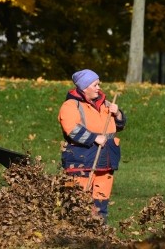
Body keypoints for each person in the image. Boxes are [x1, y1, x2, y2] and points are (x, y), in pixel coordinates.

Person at [58, 69, 126, 222]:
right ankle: (74, 237)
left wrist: (118, 114)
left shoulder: (106, 104)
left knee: (101, 204)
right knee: (78, 203)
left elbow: (119, 126)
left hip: (105, 161)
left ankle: (100, 236)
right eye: (95, 85)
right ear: (84, 87)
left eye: (98, 84)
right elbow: (72, 130)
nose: (98, 88)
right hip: (81, 161)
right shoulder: (70, 106)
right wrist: (94, 138)